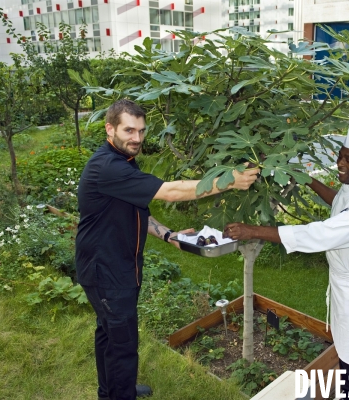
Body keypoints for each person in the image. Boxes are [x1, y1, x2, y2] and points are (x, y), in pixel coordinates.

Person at [75, 99, 259, 400]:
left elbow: (136, 208)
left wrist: (167, 234)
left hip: (116, 266)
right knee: (122, 342)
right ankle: (120, 394)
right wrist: (228, 181)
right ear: (110, 129)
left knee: (110, 335)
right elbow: (170, 191)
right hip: (106, 271)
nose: (137, 138)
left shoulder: (122, 160)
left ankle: (112, 390)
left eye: (142, 131)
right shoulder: (107, 167)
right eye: (129, 130)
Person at [223, 100, 349, 400]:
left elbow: (318, 234)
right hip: (345, 286)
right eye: (340, 155)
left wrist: (252, 230)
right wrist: (308, 179)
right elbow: (339, 201)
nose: (340, 163)